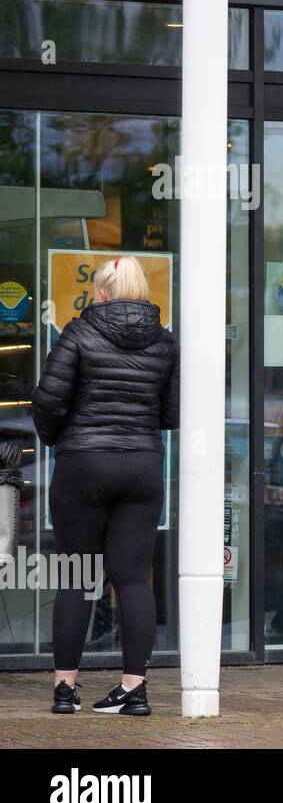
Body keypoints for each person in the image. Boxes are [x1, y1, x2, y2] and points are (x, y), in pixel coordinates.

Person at [32, 256, 179, 716]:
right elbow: (173, 414)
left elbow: (48, 400)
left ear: (101, 292)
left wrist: (61, 440)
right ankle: (133, 691)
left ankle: (64, 689)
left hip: (83, 465)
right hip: (141, 466)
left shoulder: (77, 333)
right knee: (133, 578)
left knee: (76, 576)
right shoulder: (166, 343)